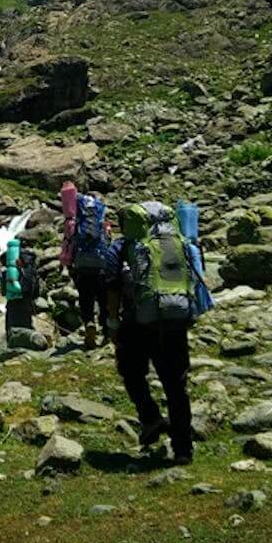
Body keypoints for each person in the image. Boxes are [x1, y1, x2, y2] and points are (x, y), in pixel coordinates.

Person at [104, 201, 202, 466]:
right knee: (176, 385)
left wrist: (112, 322)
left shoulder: (123, 246)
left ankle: (150, 417)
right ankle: (183, 449)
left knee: (131, 372)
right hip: (175, 321)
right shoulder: (178, 242)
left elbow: (111, 284)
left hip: (137, 323)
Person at [60, 185, 112, 349]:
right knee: (103, 300)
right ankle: (106, 331)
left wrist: (67, 265)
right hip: (101, 265)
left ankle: (89, 322)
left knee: (85, 298)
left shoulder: (74, 224)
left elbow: (68, 244)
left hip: (82, 266)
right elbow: (109, 242)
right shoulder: (102, 222)